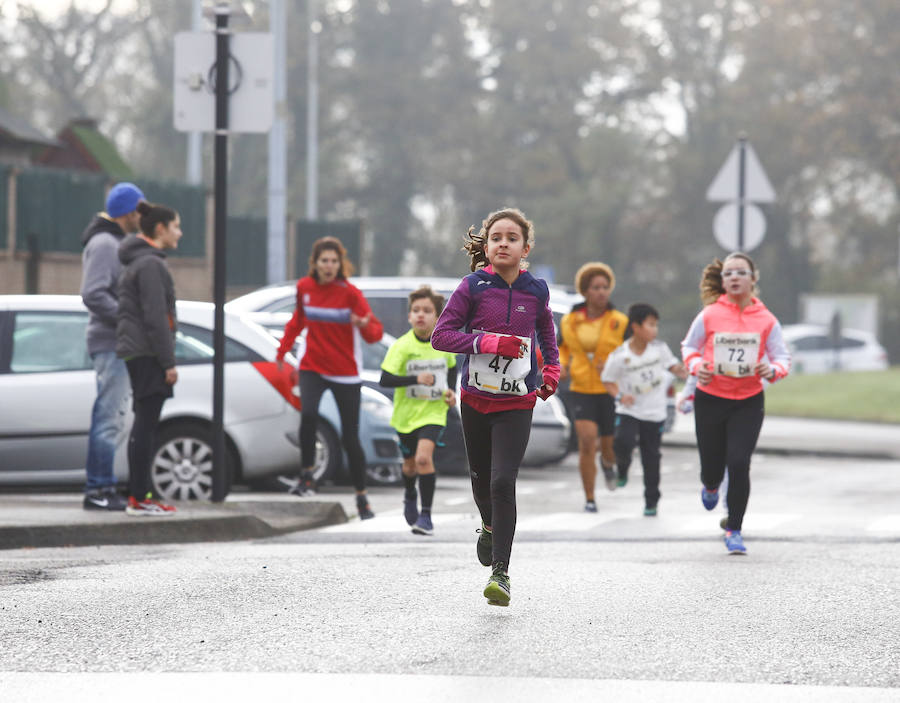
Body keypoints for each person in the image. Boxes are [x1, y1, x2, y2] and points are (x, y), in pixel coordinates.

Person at [432, 207, 560, 607]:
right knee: (481, 482)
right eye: (496, 238)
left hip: (516, 401)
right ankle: (488, 525)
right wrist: (487, 342)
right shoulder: (472, 287)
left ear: (525, 247)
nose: (503, 243)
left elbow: (546, 336)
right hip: (475, 398)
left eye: (512, 238)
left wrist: (551, 370)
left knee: (503, 481)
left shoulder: (536, 291)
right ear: (486, 246)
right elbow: (441, 336)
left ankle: (500, 573)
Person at [681, 252, 791, 554]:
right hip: (711, 397)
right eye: (729, 273)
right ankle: (711, 485)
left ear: (753, 279)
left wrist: (773, 370)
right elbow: (689, 346)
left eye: (741, 272)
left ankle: (734, 529)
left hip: (748, 399)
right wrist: (695, 366)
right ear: (723, 280)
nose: (734, 278)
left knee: (740, 462)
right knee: (713, 467)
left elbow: (782, 357)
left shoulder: (767, 319)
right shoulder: (710, 314)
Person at [275, 236, 383, 520]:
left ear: (340, 264)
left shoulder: (350, 293)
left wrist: (363, 323)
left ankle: (362, 497)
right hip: (312, 366)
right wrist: (282, 351)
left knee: (350, 435)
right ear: (315, 263)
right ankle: (307, 476)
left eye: (334, 261)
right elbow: (298, 320)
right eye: (324, 261)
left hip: (345, 371)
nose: (329, 266)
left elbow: (376, 334)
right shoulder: (305, 288)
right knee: (308, 416)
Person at [79, 182, 145, 511]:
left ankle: (102, 487)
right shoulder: (105, 243)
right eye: (140, 211)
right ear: (129, 212)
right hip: (111, 342)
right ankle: (98, 489)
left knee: (113, 416)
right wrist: (127, 318)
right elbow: (93, 292)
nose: (142, 218)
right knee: (108, 417)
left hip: (116, 341)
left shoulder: (114, 240)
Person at [116, 200, 182, 516]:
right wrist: (168, 362)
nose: (179, 233)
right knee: (146, 425)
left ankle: (140, 495)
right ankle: (140, 498)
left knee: (144, 423)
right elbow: (157, 317)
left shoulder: (140, 261)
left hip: (138, 350)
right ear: (160, 229)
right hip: (147, 352)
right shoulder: (151, 264)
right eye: (176, 227)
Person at [379, 286, 458, 536]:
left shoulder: (443, 343)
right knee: (410, 465)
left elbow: (452, 368)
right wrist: (414, 379)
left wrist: (451, 391)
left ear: (438, 316)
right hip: (406, 416)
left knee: (424, 459)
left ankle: (426, 515)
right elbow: (385, 379)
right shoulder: (401, 346)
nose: (421, 315)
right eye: (416, 311)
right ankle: (410, 493)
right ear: (409, 316)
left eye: (427, 311)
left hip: (433, 412)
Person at [601, 303, 687, 516]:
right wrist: (621, 396)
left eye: (656, 325)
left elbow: (672, 366)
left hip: (654, 412)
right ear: (636, 327)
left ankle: (651, 501)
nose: (654, 330)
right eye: (650, 325)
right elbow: (608, 381)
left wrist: (682, 371)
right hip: (629, 410)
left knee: (651, 457)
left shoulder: (660, 349)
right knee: (623, 442)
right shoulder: (620, 355)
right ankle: (622, 469)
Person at [558, 262, 628, 512]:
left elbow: (631, 353)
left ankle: (608, 464)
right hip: (580, 388)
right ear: (585, 291)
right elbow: (562, 348)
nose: (601, 292)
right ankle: (589, 498)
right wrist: (562, 365)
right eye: (596, 287)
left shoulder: (620, 321)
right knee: (587, 441)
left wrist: (614, 366)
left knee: (608, 446)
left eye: (605, 287)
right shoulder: (570, 321)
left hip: (609, 390)